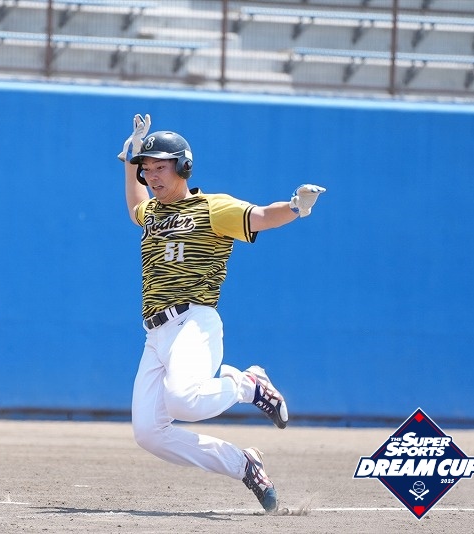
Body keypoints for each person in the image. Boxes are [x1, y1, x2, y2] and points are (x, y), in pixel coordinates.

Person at [118, 114, 326, 513]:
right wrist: (129, 160)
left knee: (183, 401)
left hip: (194, 321)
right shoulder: (153, 211)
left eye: (160, 167)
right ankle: (243, 464)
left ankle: (248, 385)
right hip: (156, 333)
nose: (152, 176)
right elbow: (135, 207)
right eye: (148, 169)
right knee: (148, 433)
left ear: (183, 166)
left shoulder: (212, 207)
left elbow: (261, 216)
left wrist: (295, 207)